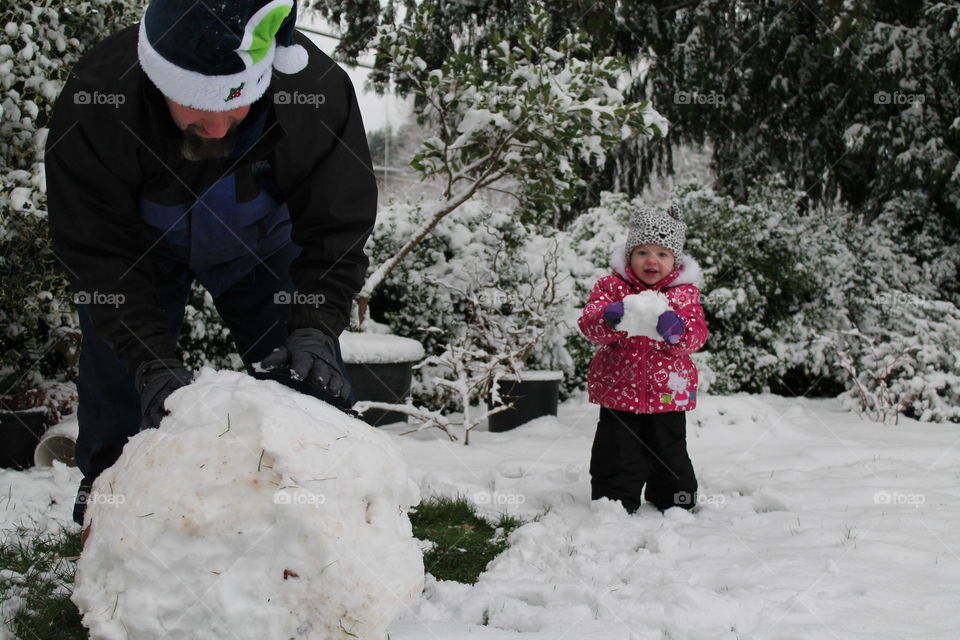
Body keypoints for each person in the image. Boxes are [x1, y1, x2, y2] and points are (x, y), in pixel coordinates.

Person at [44, 0, 377, 529]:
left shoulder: (314, 92)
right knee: (121, 378)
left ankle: (326, 508)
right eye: (198, 111)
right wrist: (148, 358)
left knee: (305, 378)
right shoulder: (98, 97)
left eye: (237, 106)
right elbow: (97, 251)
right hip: (144, 254)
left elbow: (337, 227)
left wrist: (315, 324)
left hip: (264, 249)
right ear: (160, 83)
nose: (219, 128)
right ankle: (110, 509)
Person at [577, 203, 708, 513]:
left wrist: (677, 332)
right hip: (619, 388)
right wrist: (609, 319)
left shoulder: (684, 294)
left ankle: (673, 499)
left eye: (662, 254)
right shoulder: (611, 287)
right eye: (643, 253)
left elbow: (698, 334)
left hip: (668, 391)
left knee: (669, 448)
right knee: (616, 449)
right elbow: (588, 324)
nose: (652, 260)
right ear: (629, 257)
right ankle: (614, 502)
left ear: (674, 260)